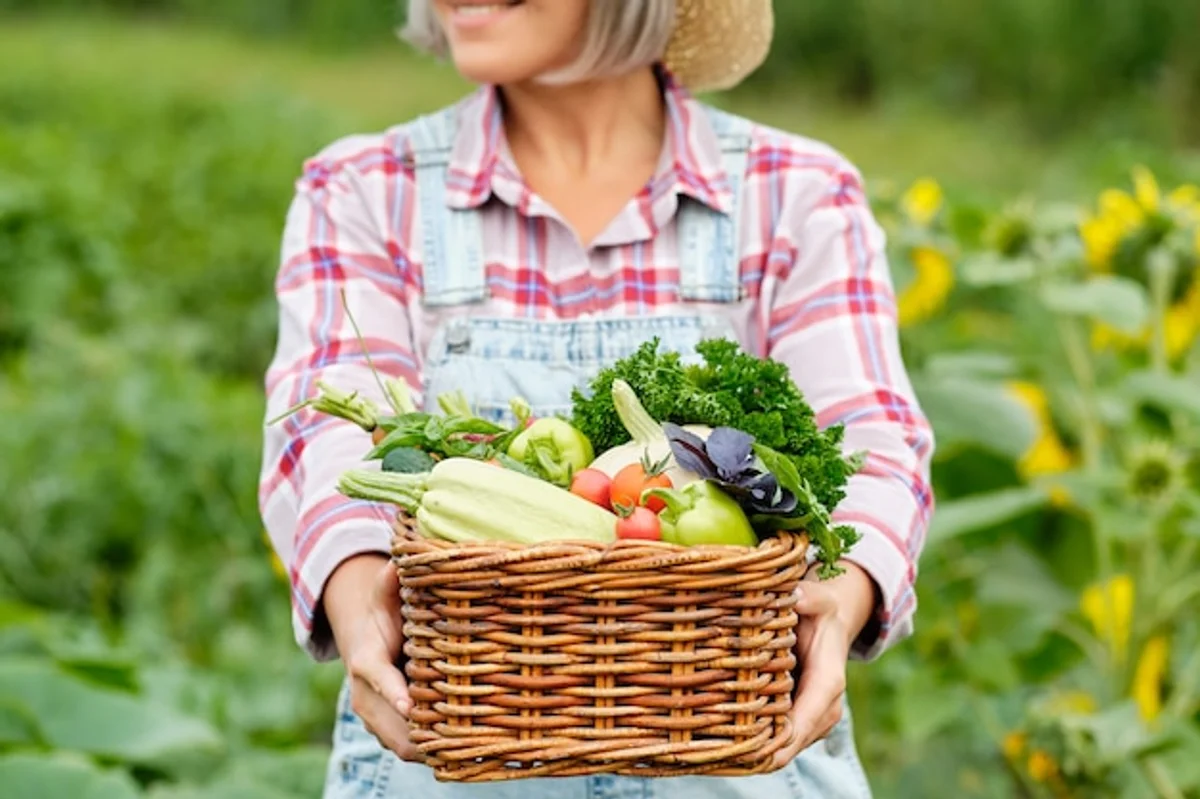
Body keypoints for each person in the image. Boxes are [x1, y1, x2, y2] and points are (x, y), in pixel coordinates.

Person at [259, 1, 935, 797]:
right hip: (452, 758)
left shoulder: (793, 195)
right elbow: (329, 430)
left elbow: (872, 444)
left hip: (737, 765)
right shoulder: (367, 192)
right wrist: (358, 586)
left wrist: (847, 587)